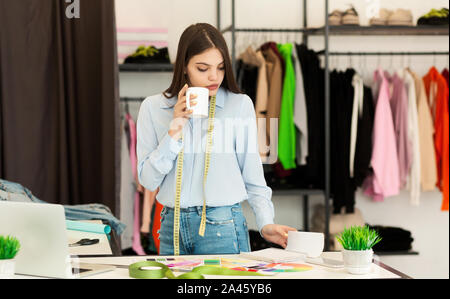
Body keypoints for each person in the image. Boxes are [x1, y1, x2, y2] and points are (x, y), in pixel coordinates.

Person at [137, 23, 296, 255]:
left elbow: (253, 177)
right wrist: (175, 129)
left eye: (221, 67)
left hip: (222, 225)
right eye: (203, 68)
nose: (214, 77)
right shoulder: (153, 108)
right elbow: (148, 181)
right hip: (172, 226)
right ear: (183, 67)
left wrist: (265, 223)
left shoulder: (239, 105)